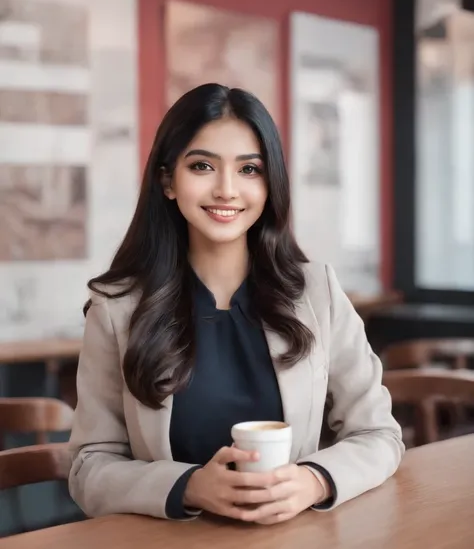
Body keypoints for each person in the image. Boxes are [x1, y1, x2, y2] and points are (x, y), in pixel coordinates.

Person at [69, 83, 403, 525]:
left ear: (270, 185)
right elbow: (88, 466)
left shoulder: (318, 291)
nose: (227, 190)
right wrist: (186, 486)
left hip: (290, 536)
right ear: (168, 180)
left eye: (249, 170)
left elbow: (379, 434)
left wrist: (314, 480)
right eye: (203, 166)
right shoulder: (117, 308)